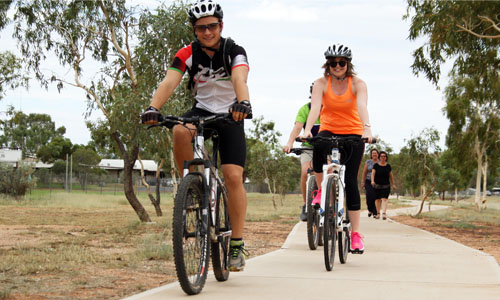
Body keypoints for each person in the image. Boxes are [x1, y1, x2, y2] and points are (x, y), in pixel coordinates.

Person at [141, 0, 251, 272]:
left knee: (233, 176)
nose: (207, 32)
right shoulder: (187, 53)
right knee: (179, 129)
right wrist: (154, 108)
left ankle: (236, 243)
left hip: (230, 115)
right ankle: (190, 187)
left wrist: (243, 103)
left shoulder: (234, 51)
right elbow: (169, 81)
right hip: (201, 110)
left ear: (221, 26)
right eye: (201, 28)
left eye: (212, 26)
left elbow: (240, 78)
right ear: (194, 30)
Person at [302, 43, 374, 254]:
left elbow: (362, 106)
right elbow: (315, 107)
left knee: (351, 181)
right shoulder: (321, 83)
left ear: (348, 64)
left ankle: (355, 235)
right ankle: (320, 189)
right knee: (317, 144)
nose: (337, 66)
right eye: (333, 63)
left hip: (353, 132)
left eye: (342, 63)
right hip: (329, 129)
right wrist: (308, 130)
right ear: (328, 65)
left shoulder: (358, 84)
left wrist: (367, 130)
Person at [282, 84, 320, 222]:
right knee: (305, 171)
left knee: (330, 172)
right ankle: (306, 205)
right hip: (309, 147)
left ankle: (330, 205)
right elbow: (297, 127)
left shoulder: (330, 109)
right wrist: (290, 143)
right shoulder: (305, 109)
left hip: (328, 148)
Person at [371, 151, 396, 220]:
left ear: (386, 158)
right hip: (377, 185)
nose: (383, 157)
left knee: (384, 199)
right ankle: (378, 213)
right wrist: (372, 181)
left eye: (384, 156)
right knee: (378, 200)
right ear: (379, 157)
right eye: (381, 156)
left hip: (386, 185)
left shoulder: (388, 166)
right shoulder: (376, 165)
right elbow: (372, 174)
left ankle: (384, 214)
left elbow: (391, 176)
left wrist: (393, 184)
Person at [361, 148, 379, 218]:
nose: (374, 154)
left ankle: (374, 212)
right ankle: (370, 209)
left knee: (374, 196)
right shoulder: (368, 162)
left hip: (377, 182)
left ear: (378, 154)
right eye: (373, 153)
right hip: (368, 181)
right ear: (371, 155)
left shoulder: (380, 162)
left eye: (375, 153)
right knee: (369, 196)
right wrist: (363, 182)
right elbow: (364, 173)